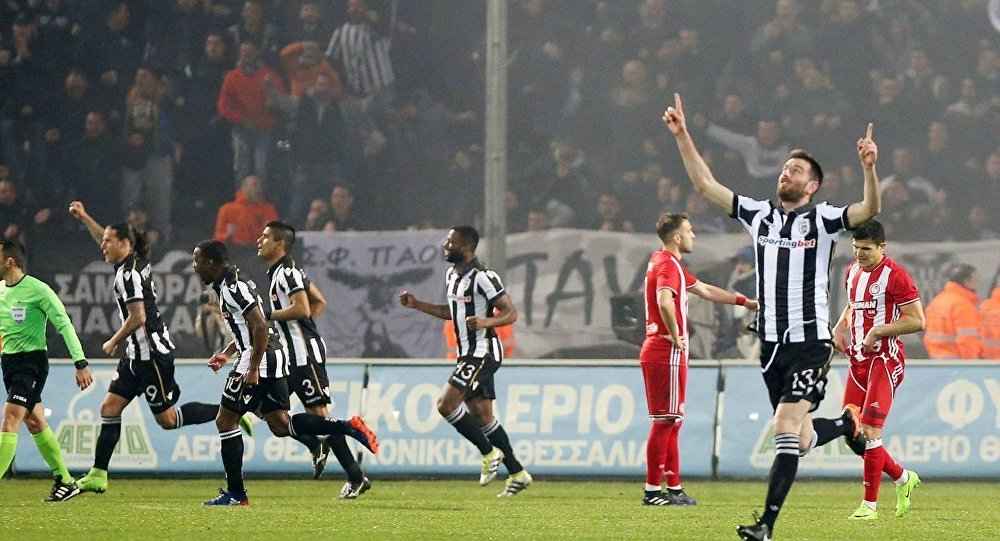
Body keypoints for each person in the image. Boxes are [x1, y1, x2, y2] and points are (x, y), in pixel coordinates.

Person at [662, 93, 881, 541]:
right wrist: (683, 135)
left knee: (783, 426)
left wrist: (869, 169)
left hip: (810, 343)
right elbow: (705, 185)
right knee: (800, 438)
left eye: (796, 170)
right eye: (785, 168)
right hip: (771, 346)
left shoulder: (823, 220)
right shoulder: (759, 215)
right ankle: (846, 424)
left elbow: (868, 210)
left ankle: (766, 525)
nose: (787, 173)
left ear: (812, 186)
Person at [65, 201, 245, 497]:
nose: (103, 245)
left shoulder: (130, 275)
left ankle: (232, 412)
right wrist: (85, 217)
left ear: (125, 243)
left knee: (168, 420)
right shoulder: (131, 261)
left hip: (151, 355)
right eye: (104, 240)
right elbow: (105, 238)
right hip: (134, 356)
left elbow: (138, 317)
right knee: (109, 408)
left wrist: (113, 339)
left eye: (108, 241)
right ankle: (98, 475)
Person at [192, 240, 378, 506]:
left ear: (211, 263)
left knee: (225, 421)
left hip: (260, 359)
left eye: (197, 261)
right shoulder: (232, 284)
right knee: (280, 424)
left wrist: (252, 367)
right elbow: (250, 327)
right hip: (274, 356)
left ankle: (236, 493)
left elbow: (260, 326)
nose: (195, 266)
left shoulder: (234, 288)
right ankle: (346, 427)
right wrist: (227, 353)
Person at [399, 226, 532, 497]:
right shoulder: (452, 275)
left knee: (445, 405)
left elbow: (511, 313)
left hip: (483, 352)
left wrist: (485, 322)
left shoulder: (483, 277)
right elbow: (452, 312)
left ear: (468, 247)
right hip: (467, 353)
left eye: (452, 242)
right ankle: (518, 473)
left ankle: (488, 453)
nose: (445, 245)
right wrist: (417, 304)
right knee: (483, 417)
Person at [640, 212, 758, 506]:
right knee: (664, 420)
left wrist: (744, 301)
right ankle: (652, 491)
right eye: (690, 231)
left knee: (672, 421)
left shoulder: (666, 263)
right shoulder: (668, 264)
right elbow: (665, 301)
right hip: (664, 349)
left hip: (664, 350)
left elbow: (705, 290)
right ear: (677, 237)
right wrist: (676, 333)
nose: (693, 235)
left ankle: (674, 487)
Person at [256, 221, 373, 496]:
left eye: (265, 237)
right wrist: (300, 328)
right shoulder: (282, 273)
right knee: (269, 414)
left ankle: (355, 477)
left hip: (303, 355)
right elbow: (319, 302)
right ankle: (315, 444)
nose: (259, 240)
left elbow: (303, 308)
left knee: (319, 414)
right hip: (289, 355)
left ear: (280, 244)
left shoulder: (287, 273)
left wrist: (270, 317)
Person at [831, 219, 924, 520]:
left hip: (884, 360)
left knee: (871, 430)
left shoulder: (896, 276)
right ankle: (902, 477)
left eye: (866, 249)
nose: (859, 254)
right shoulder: (852, 271)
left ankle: (869, 506)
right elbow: (854, 305)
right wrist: (840, 325)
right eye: (856, 248)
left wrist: (878, 331)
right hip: (857, 361)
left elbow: (917, 320)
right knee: (852, 431)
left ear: (882, 247)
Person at [0, 239, 93, 501]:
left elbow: (64, 324)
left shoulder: (38, 290)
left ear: (10, 261)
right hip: (9, 364)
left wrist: (80, 363)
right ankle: (65, 480)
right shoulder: (1, 290)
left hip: (31, 364)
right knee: (35, 421)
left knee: (10, 419)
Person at [923, 263, 983, 359]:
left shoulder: (937, 301)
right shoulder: (962, 305)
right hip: (957, 362)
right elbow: (967, 340)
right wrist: (971, 362)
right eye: (975, 279)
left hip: (936, 359)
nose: (978, 282)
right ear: (966, 281)